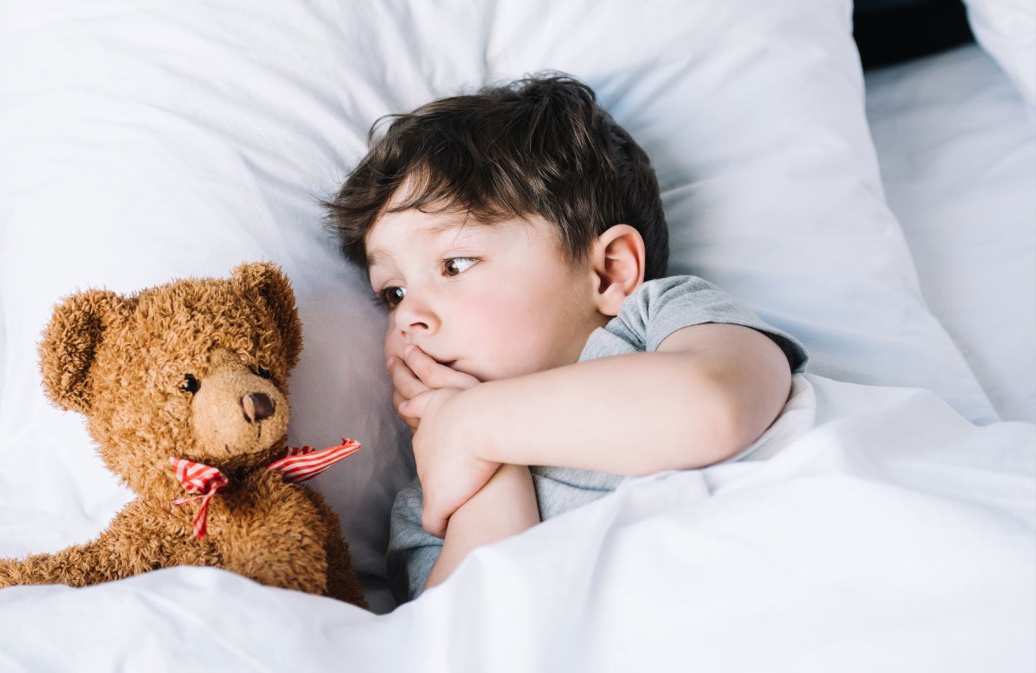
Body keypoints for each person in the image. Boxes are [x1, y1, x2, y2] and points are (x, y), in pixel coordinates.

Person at [323, 74, 808, 603]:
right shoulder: (436, 494)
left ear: (608, 273)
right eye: (391, 293)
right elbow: (472, 634)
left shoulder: (661, 322)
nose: (408, 315)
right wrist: (490, 467)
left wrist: (474, 422)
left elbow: (717, 405)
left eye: (456, 264)